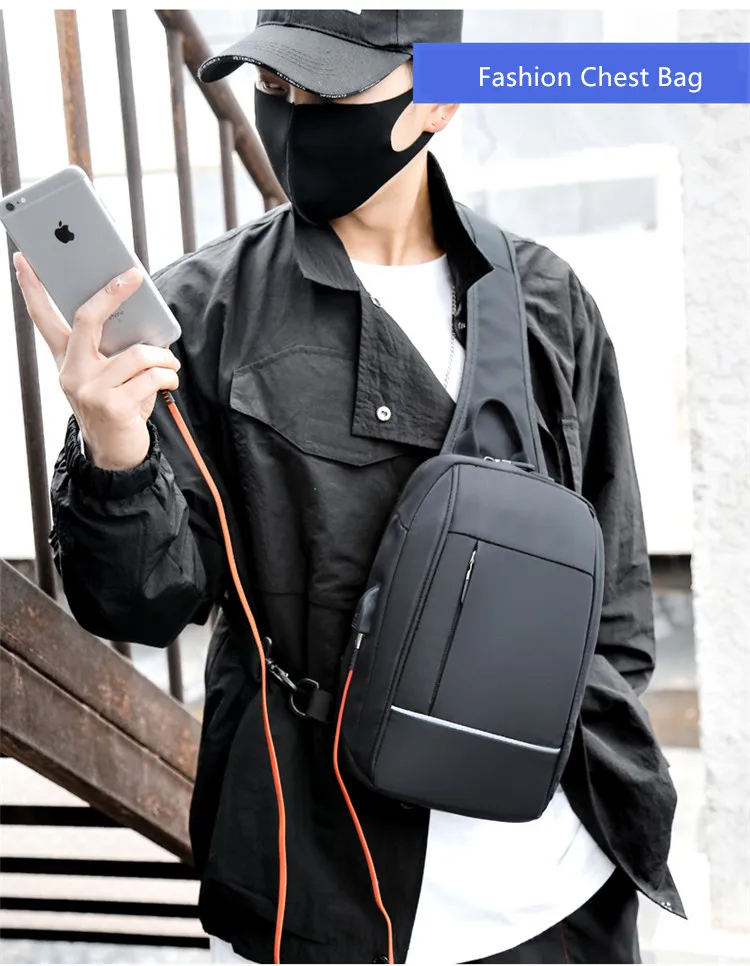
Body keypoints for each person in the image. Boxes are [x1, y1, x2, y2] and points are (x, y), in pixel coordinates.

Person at [15, 10, 684, 964]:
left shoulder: (548, 299)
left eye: (327, 90)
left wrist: (596, 742)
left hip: (562, 890)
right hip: (323, 890)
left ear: (441, 98)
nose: (292, 116)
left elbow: (613, 587)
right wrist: (114, 446)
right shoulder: (203, 313)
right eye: (273, 87)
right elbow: (138, 604)